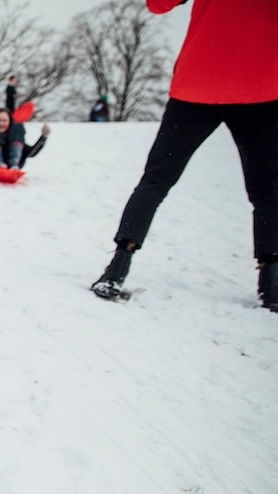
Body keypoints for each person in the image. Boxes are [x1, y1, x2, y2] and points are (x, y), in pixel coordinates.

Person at [89, 0, 278, 309]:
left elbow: (157, 4)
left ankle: (116, 270)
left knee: (155, 180)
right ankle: (272, 285)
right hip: (259, 86)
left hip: (198, 83)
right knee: (267, 189)